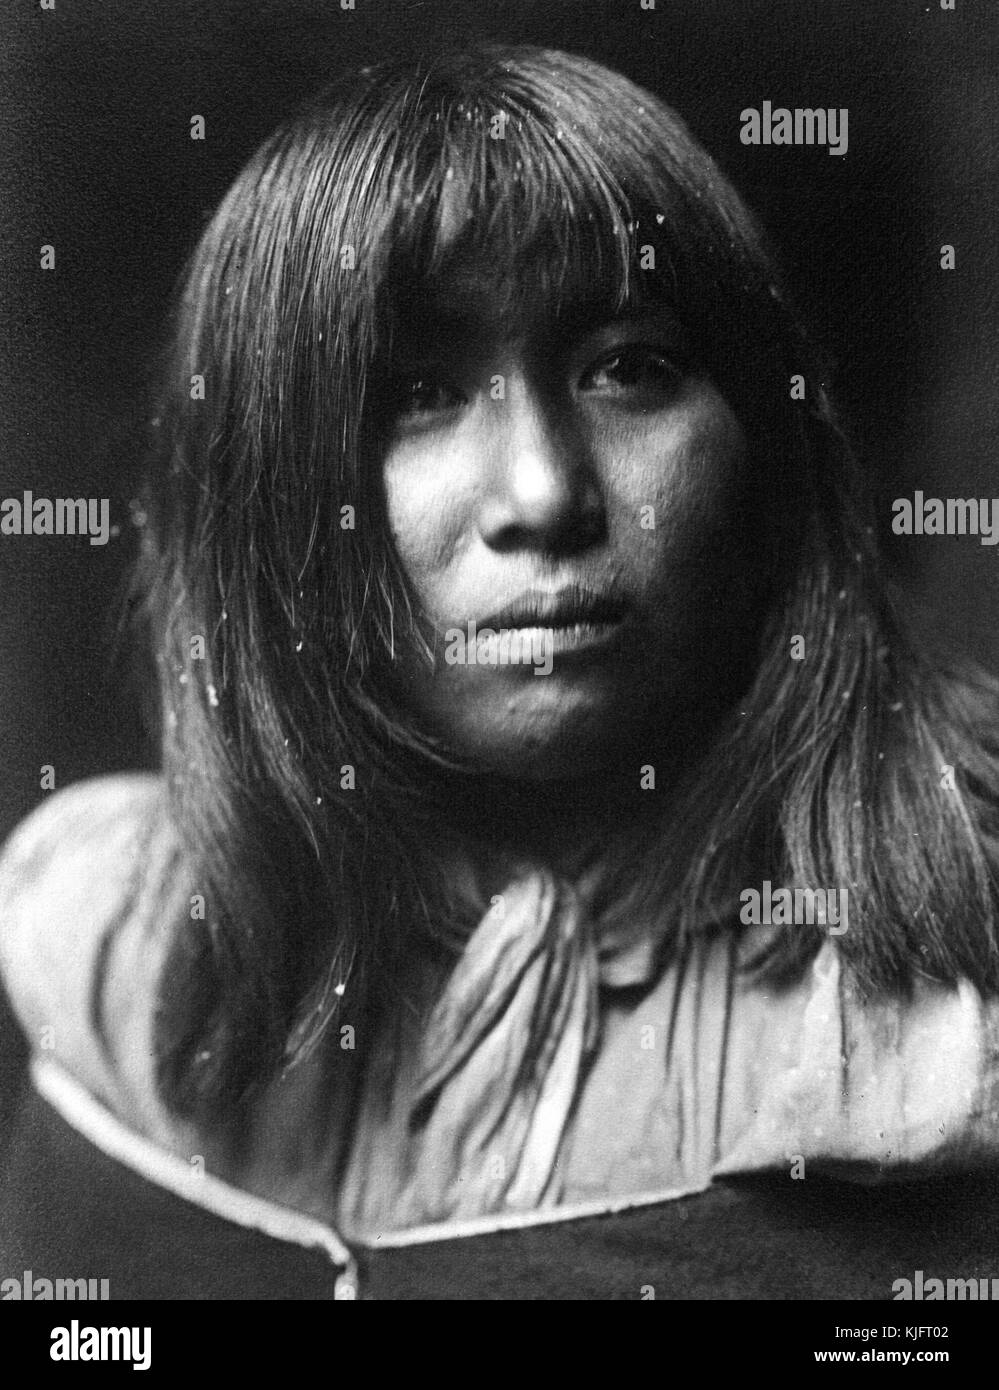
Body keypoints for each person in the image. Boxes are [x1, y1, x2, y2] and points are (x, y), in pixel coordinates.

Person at [2, 44, 999, 1290]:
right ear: (270, 512)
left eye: (629, 366)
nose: (542, 493)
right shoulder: (127, 949)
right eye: (415, 391)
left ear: (764, 441)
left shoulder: (940, 1010)